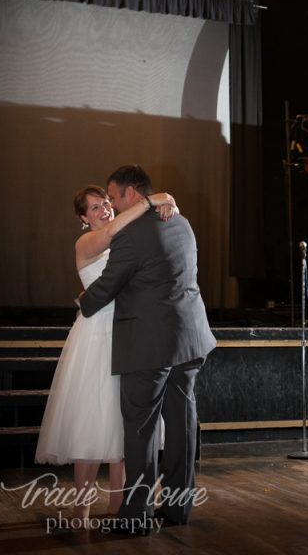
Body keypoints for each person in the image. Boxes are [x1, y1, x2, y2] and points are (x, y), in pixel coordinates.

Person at [79, 164, 216, 533]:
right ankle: (177, 511)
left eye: (113, 196)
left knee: (140, 431)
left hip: (148, 346)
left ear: (131, 194)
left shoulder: (132, 234)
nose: (112, 203)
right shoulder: (181, 222)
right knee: (183, 427)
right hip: (189, 339)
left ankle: (136, 516)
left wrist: (83, 304)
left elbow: (109, 284)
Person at [35, 183, 177, 523]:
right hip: (96, 334)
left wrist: (168, 201)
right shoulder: (85, 242)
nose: (105, 210)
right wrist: (150, 200)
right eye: (95, 207)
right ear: (84, 217)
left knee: (121, 421)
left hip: (126, 333)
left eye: (105, 204)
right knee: (90, 419)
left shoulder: (124, 238)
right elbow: (116, 228)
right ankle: (81, 507)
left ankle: (118, 504)